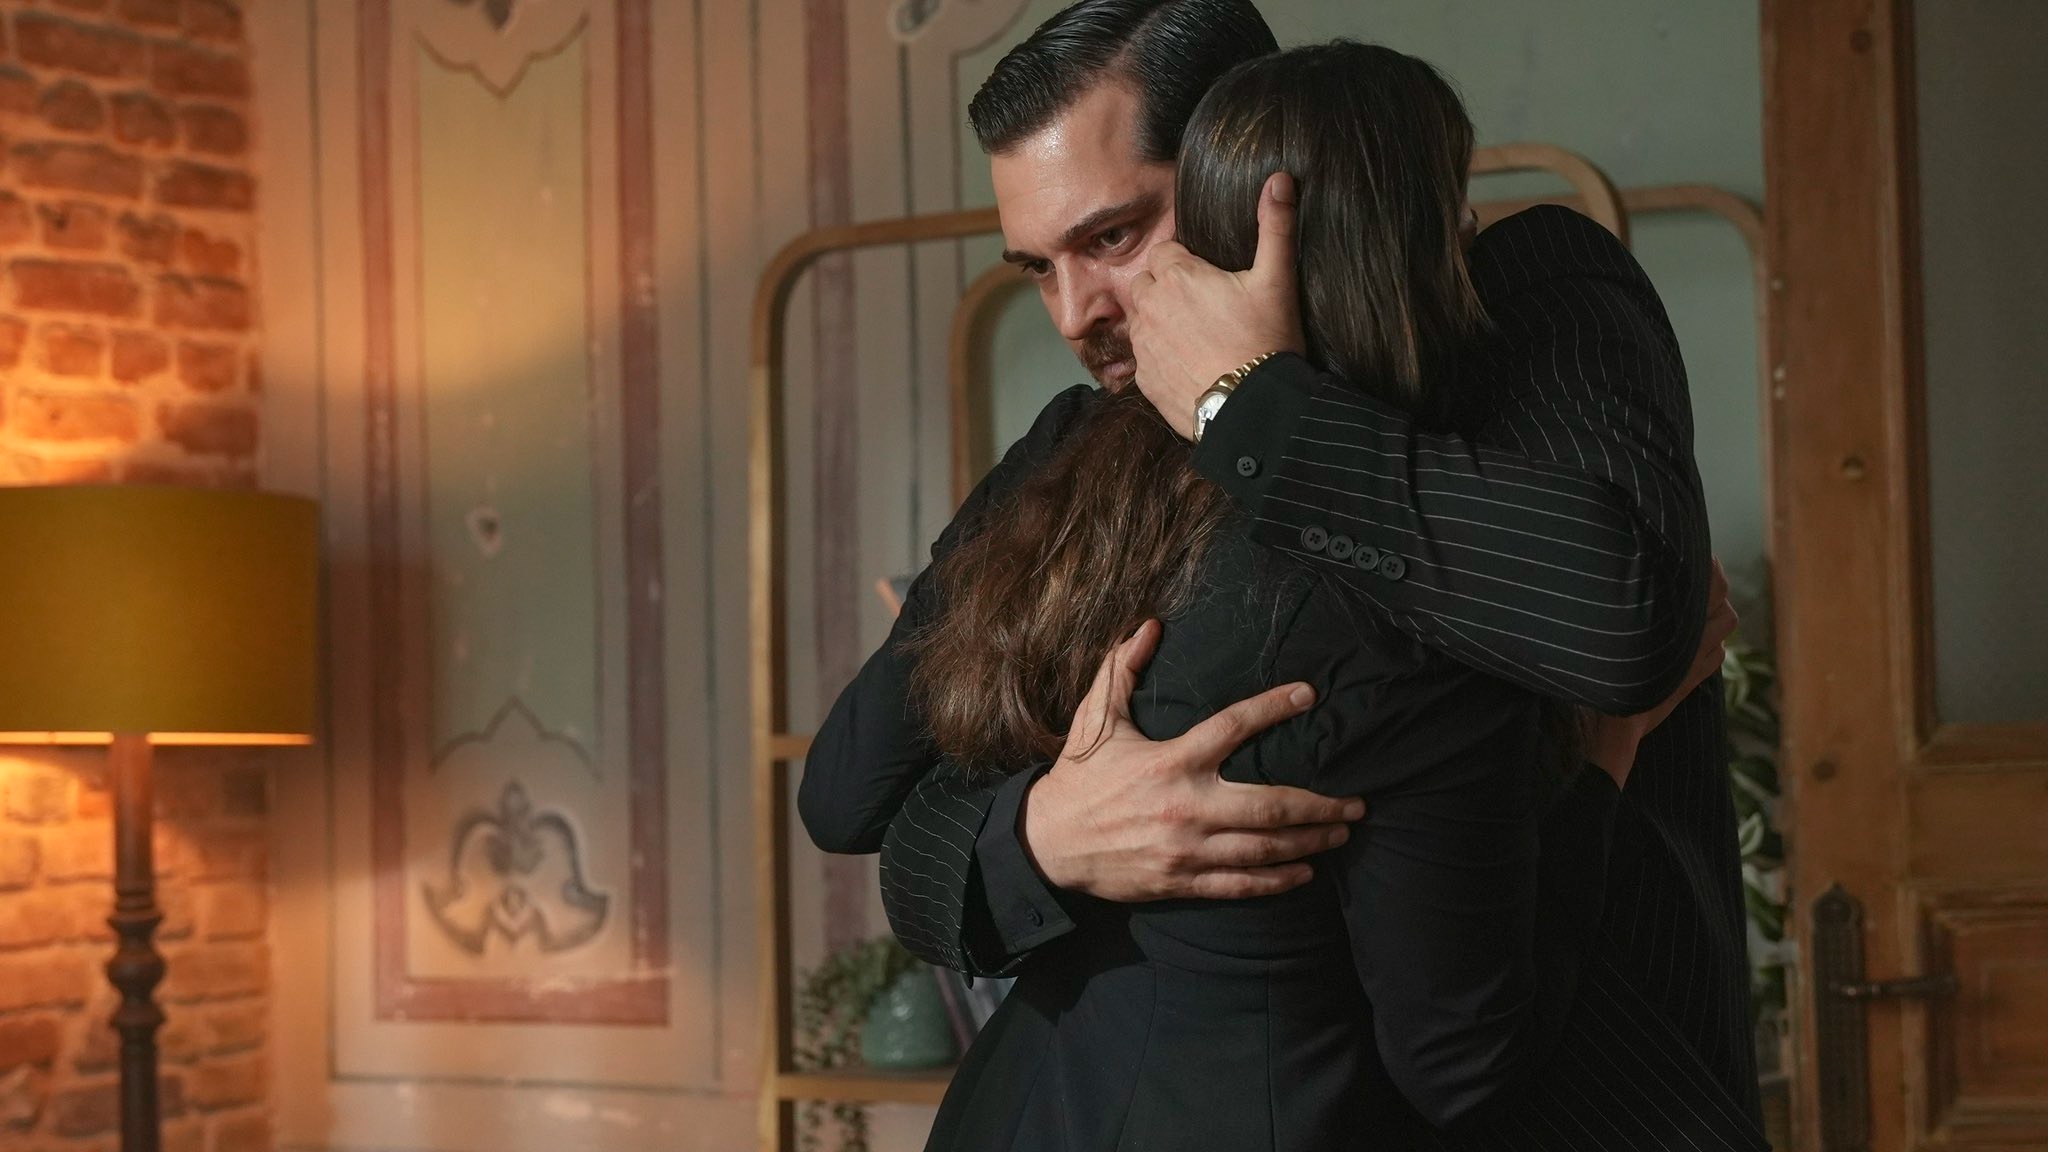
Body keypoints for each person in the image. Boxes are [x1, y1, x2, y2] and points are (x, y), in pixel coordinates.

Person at [801, 2, 1763, 1148]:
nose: (1073, 314)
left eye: (1113, 238)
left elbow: (1627, 627)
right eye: (1035, 268)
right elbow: (857, 799)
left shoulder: (1530, 296)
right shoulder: (1085, 443)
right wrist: (1047, 836)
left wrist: (1241, 403)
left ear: (1247, 170)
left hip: (1588, 1090)